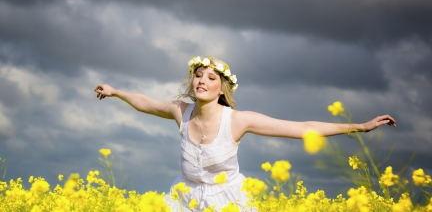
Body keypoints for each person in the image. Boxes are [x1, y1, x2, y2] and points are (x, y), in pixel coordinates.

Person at [94, 56, 396, 211]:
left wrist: (358, 126)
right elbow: (146, 102)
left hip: (228, 203)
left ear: (221, 88)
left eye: (210, 77)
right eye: (198, 75)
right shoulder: (180, 111)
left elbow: (302, 129)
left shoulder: (238, 121)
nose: (201, 80)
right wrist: (116, 92)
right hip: (184, 200)